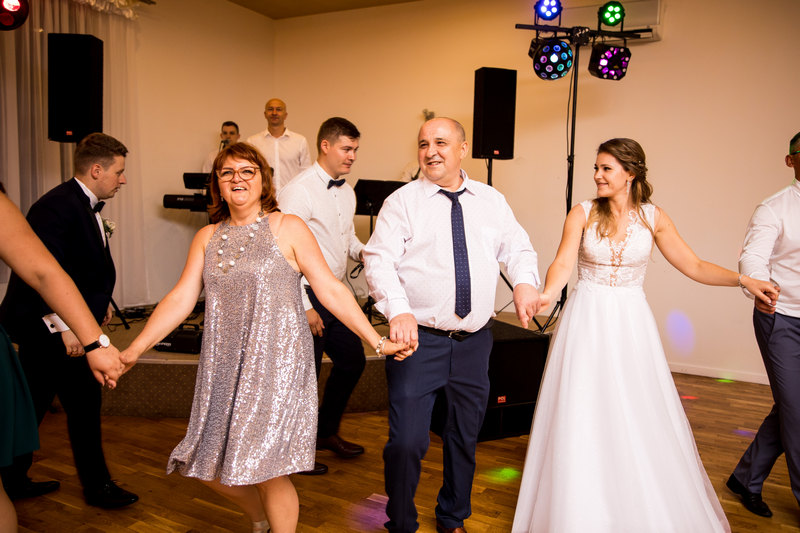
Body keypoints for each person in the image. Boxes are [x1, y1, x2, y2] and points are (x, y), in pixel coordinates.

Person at [119, 142, 411, 533]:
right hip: (223, 368)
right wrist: (135, 349)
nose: (237, 179)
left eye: (247, 171)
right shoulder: (206, 237)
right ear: (217, 184)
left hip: (277, 368)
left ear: (263, 180)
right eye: (227, 173)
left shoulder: (288, 227)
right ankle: (260, 520)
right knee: (204, 461)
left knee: (270, 470)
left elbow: (330, 288)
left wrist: (376, 341)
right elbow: (180, 299)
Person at [511, 138, 779, 533]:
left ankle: (632, 491)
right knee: (583, 404)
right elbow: (563, 262)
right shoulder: (582, 212)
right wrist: (548, 294)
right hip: (586, 319)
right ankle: (582, 500)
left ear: (630, 173)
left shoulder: (654, 217)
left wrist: (744, 280)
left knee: (635, 406)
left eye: (606, 168)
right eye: (596, 168)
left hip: (631, 322)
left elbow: (694, 265)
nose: (597, 175)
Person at [364, 117, 542, 533]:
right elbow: (379, 260)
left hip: (474, 343)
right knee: (406, 441)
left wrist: (524, 283)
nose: (431, 152)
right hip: (416, 342)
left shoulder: (491, 200)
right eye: (423, 144)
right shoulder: (402, 202)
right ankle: (401, 522)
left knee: (464, 435)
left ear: (462, 149)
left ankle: (453, 516)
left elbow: (518, 248)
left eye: (441, 143)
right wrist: (398, 310)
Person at [0, 133, 139, 509]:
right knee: (74, 406)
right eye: (119, 172)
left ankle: (13, 479)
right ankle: (96, 487)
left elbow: (80, 268)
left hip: (70, 327)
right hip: (49, 330)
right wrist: (67, 328)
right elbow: (40, 274)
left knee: (36, 404)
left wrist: (98, 307)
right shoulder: (55, 206)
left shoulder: (82, 204)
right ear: (96, 170)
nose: (123, 179)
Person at [278, 117, 367, 476]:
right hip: (303, 295)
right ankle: (293, 453)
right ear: (325, 146)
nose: (352, 156)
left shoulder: (347, 191)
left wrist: (364, 253)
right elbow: (282, 252)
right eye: (346, 148)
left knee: (353, 362)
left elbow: (347, 239)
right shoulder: (298, 191)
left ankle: (325, 432)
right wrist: (304, 305)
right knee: (305, 377)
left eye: (355, 149)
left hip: (334, 293)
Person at [726, 131, 800, 518]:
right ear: (791, 160)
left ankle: (745, 478)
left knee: (791, 408)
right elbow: (753, 257)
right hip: (781, 319)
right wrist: (759, 284)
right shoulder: (774, 208)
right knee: (798, 414)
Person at [245, 98, 312, 192]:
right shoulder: (252, 142)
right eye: (270, 109)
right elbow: (249, 172)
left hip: (292, 196)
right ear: (265, 114)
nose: (274, 113)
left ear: (285, 115)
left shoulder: (300, 141)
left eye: (279, 109)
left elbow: (306, 173)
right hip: (264, 196)